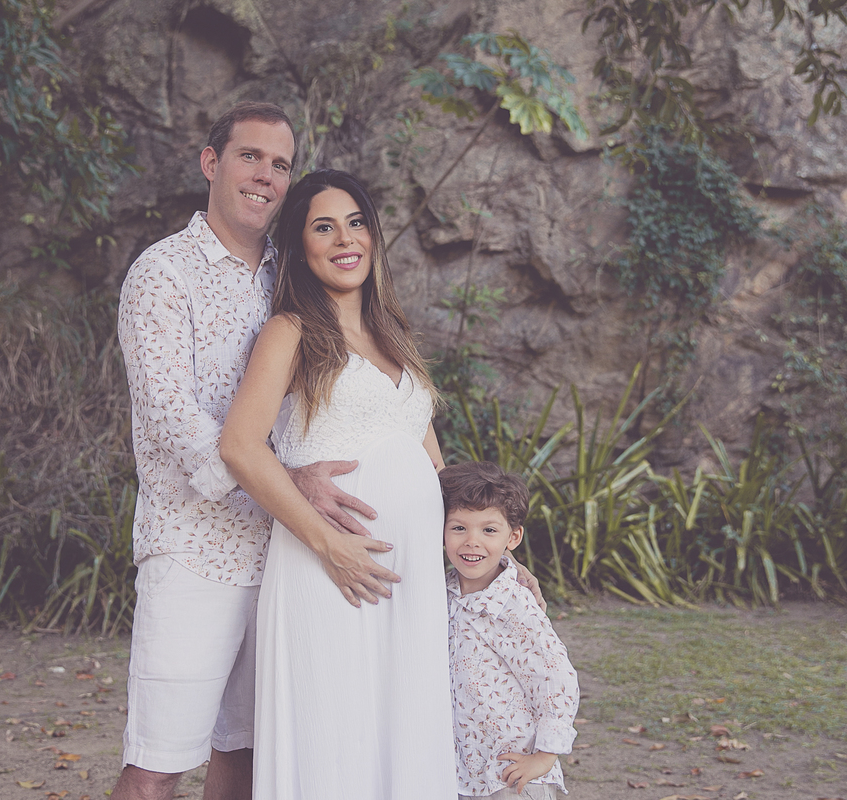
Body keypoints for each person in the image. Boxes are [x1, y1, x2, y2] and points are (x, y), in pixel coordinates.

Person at [114, 106, 398, 800]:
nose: (265, 175)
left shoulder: (290, 274)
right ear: (211, 163)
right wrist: (288, 481)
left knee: (247, 756)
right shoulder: (162, 274)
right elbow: (174, 419)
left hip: (284, 556)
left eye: (280, 164)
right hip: (194, 549)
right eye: (250, 157)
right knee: (158, 763)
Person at [219, 169, 459, 798]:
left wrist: (495, 557)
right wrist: (331, 546)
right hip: (327, 570)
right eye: (323, 227)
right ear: (300, 249)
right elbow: (240, 446)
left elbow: (433, 465)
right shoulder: (291, 331)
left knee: (402, 728)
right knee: (334, 735)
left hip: (409, 580)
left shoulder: (394, 335)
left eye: (355, 223)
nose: (345, 239)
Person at [441, 461, 580, 800]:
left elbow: (556, 678)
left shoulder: (514, 606)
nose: (472, 541)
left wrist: (545, 756)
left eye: (489, 530)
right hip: (465, 769)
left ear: (513, 537)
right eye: (458, 528)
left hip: (511, 772)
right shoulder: (443, 592)